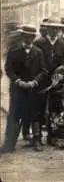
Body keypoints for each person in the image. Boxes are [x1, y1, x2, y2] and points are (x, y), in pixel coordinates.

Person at [0, 25, 48, 153]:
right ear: (22, 37)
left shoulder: (38, 52)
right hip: (17, 89)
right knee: (15, 115)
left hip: (33, 89)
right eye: (26, 36)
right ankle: (9, 144)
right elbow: (8, 69)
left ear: (33, 38)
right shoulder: (13, 50)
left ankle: (37, 140)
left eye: (31, 37)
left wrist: (35, 82)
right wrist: (18, 81)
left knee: (35, 114)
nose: (28, 39)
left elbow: (43, 70)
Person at [33, 18, 64, 146]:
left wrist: (61, 70)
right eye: (51, 28)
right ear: (46, 29)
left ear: (59, 30)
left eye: (56, 28)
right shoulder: (38, 43)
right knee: (38, 107)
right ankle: (37, 137)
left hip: (57, 80)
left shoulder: (63, 45)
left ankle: (52, 136)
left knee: (55, 107)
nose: (54, 31)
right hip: (42, 79)